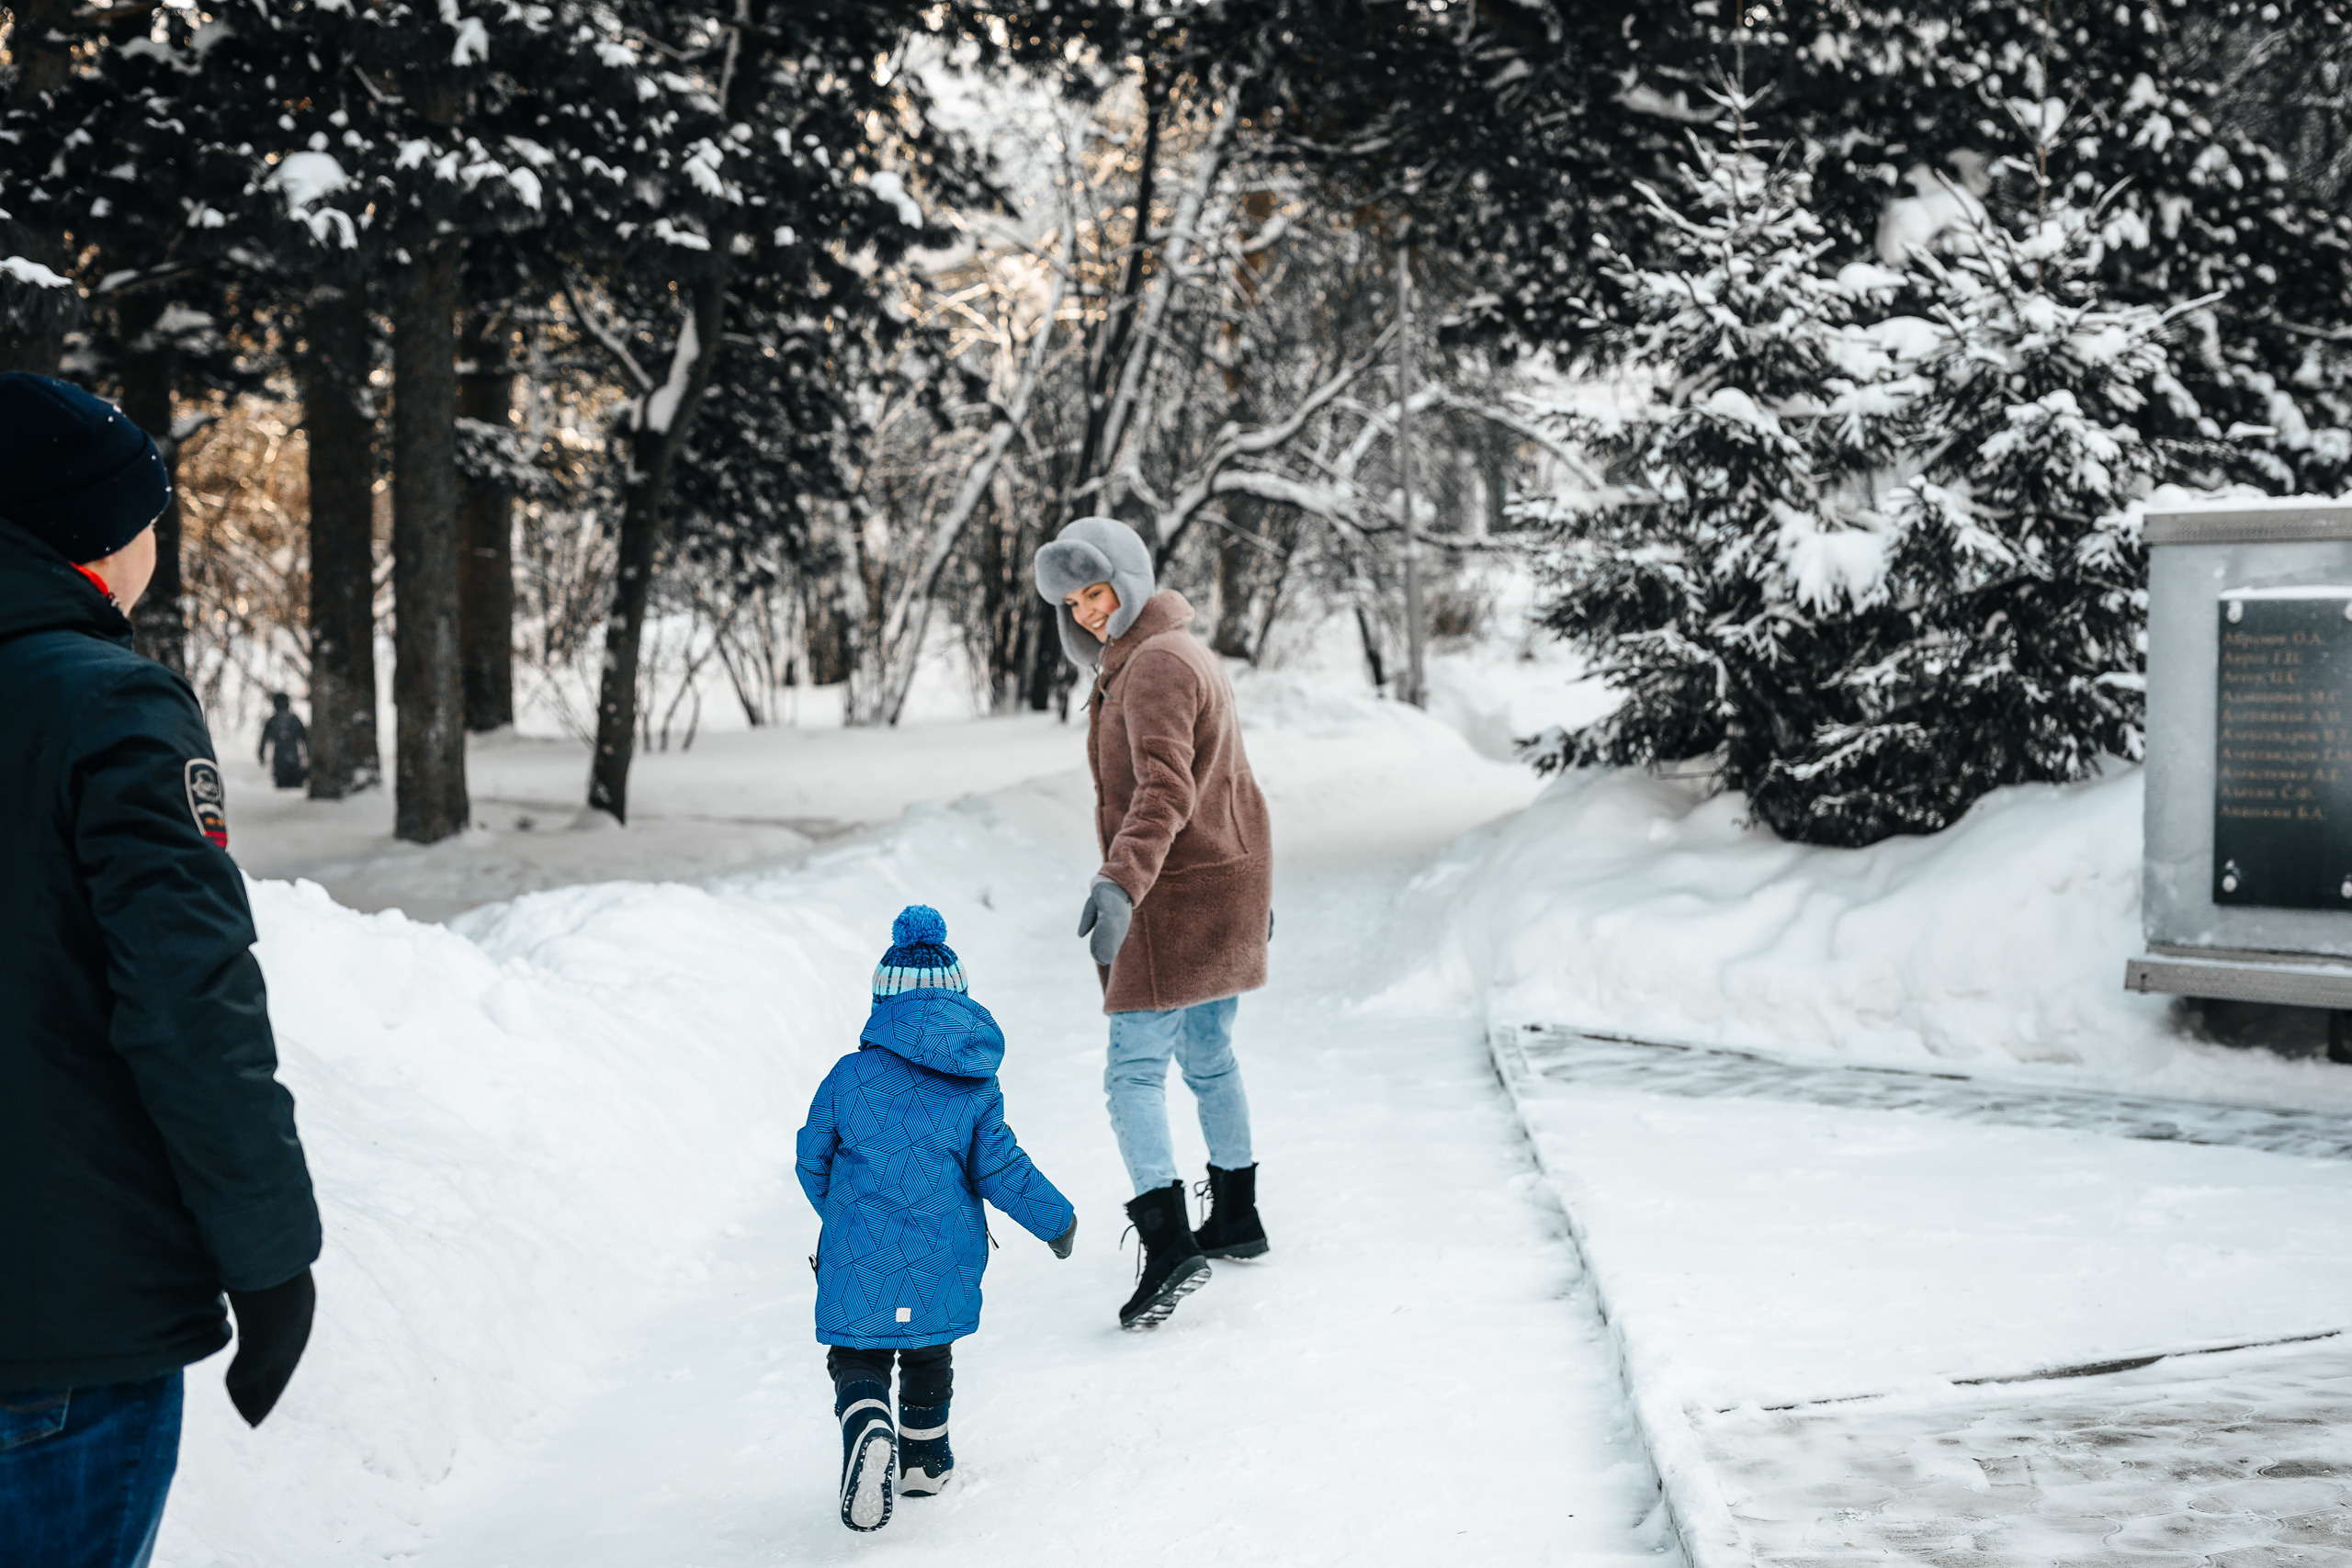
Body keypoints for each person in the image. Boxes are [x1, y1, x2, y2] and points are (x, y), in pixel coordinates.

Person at [0, 372, 322, 1568]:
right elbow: (191, 1002)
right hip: (57, 1330)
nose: (157, 540)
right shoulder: (108, 708)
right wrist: (272, 1252)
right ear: (86, 534)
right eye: (149, 514)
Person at [1031, 516, 1273, 1333]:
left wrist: (1120, 883)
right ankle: (1236, 1214)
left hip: (1170, 893)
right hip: (1218, 881)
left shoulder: (1153, 668)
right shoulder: (1175, 652)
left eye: (1095, 593)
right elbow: (1226, 777)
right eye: (1072, 602)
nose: (1088, 613)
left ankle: (1169, 1243)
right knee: (1209, 1054)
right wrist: (1250, 887)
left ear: (1128, 581)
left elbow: (1164, 791)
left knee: (1131, 1071)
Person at [796, 906, 1075, 1533]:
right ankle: (924, 1457)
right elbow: (1002, 1168)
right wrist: (1057, 1220)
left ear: (880, 1000)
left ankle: (867, 1420)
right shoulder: (974, 1085)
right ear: (959, 1000)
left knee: (858, 1351)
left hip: (858, 1250)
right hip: (940, 1250)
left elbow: (811, 1155)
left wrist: (838, 1212)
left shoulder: (849, 1075)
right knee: (927, 1347)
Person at [257, 692, 310, 791]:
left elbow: (264, 740)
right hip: (292, 760)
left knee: (283, 788)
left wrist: (261, 754)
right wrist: (309, 756)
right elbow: (305, 739)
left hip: (281, 760)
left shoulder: (273, 720)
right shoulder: (294, 719)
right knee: (294, 788)